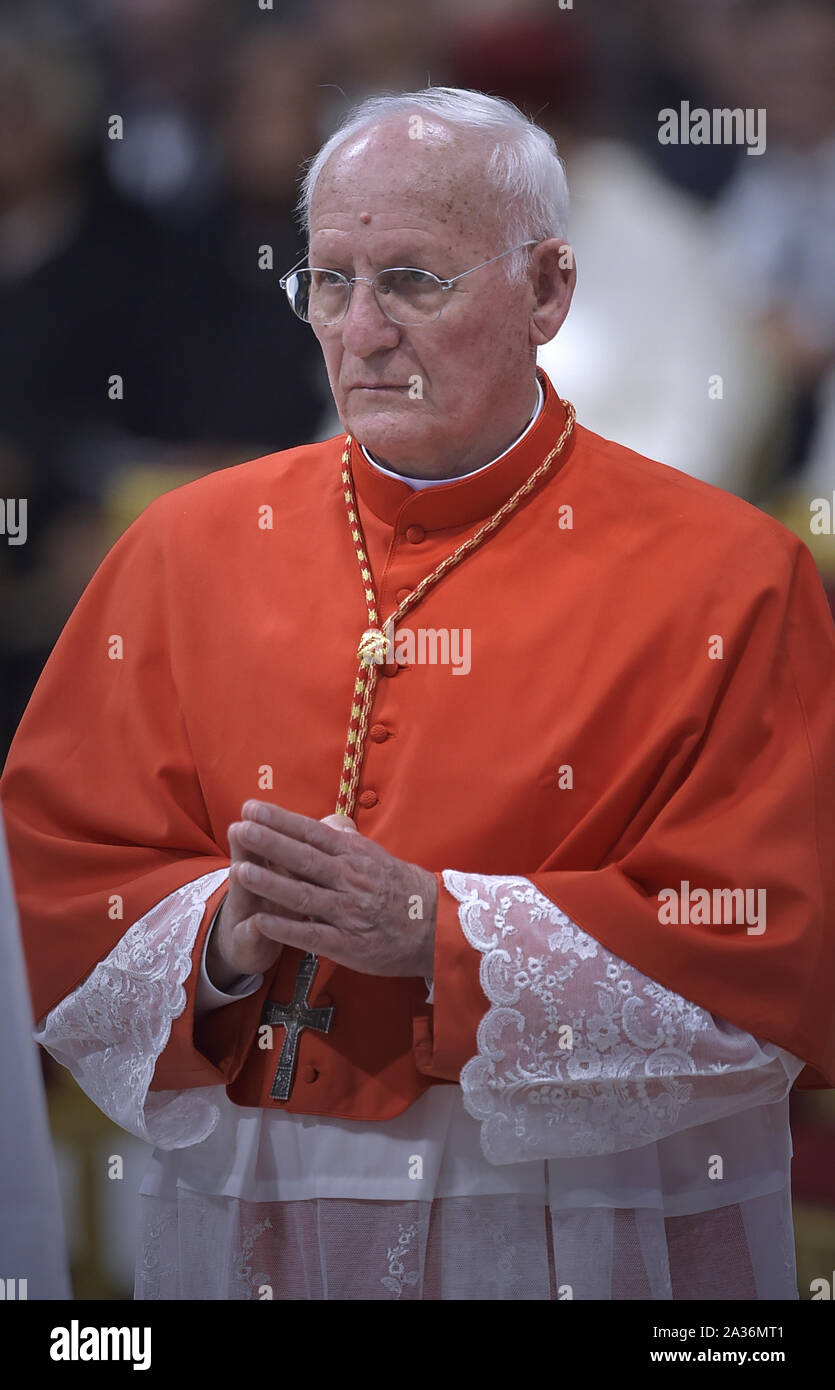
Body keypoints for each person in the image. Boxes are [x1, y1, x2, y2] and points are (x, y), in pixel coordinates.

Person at [2, 87, 834, 1302]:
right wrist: (222, 941)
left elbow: (777, 941)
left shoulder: (732, 579)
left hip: (578, 1223)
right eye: (330, 281)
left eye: (414, 280)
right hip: (252, 1195)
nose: (363, 330)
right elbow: (57, 871)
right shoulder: (180, 549)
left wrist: (434, 939)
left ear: (548, 291)